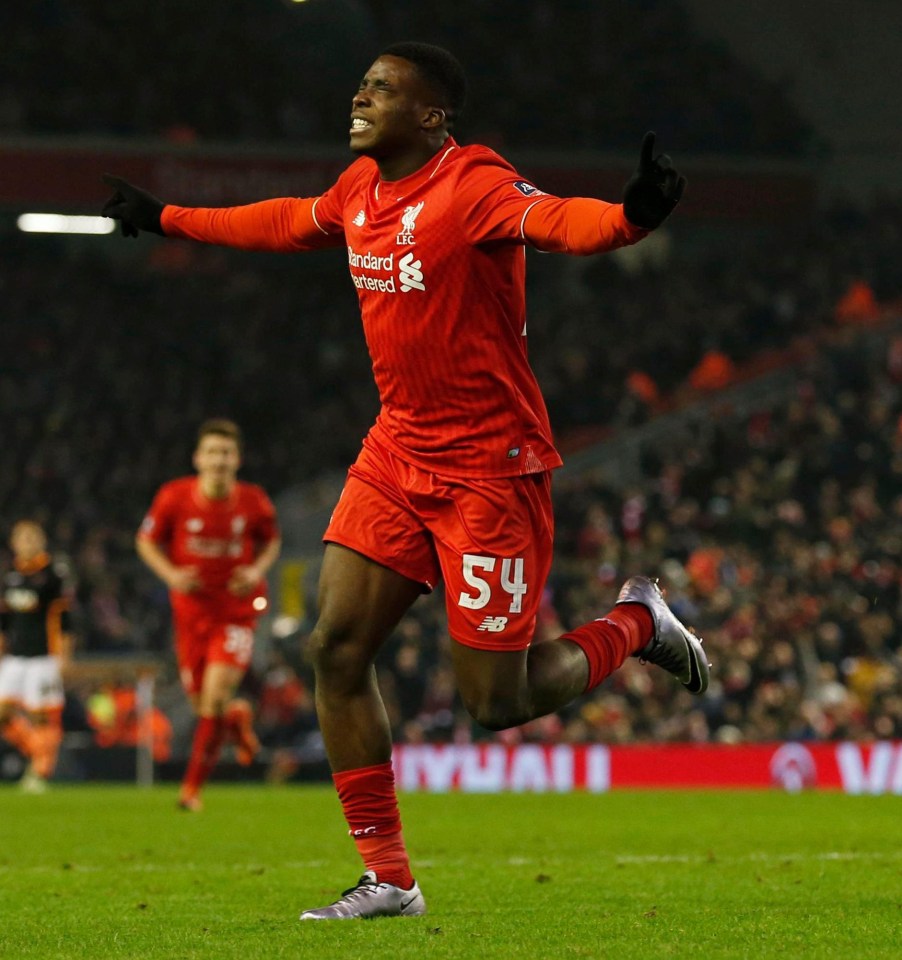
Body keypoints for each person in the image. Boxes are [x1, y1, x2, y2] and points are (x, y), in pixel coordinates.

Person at [103, 42, 705, 917]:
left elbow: (564, 222)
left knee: (497, 701)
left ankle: (635, 623)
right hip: (396, 455)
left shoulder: (474, 185)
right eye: (361, 82)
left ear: (431, 116)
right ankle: (389, 877)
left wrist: (635, 215)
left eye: (381, 88)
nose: (359, 94)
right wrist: (168, 220)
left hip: (489, 475)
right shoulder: (358, 192)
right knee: (335, 648)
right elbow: (280, 221)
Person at [135, 418, 281, 811]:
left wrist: (254, 571)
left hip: (236, 611)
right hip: (191, 614)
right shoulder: (174, 497)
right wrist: (172, 575)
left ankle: (190, 790)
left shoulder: (253, 501)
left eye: (226, 453)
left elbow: (271, 542)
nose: (219, 460)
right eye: (212, 452)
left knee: (214, 696)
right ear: (198, 458)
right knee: (205, 705)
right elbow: (146, 541)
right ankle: (236, 720)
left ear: (238, 459)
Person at [0, 519, 74, 793]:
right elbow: (4, 619)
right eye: (22, 537)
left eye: (33, 537)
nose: (28, 542)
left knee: (41, 716)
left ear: (42, 540)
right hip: (15, 657)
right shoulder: (9, 575)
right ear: (14, 543)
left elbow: (64, 618)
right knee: (3, 713)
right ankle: (37, 751)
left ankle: (40, 772)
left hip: (44, 656)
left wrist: (64, 657)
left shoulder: (54, 574)